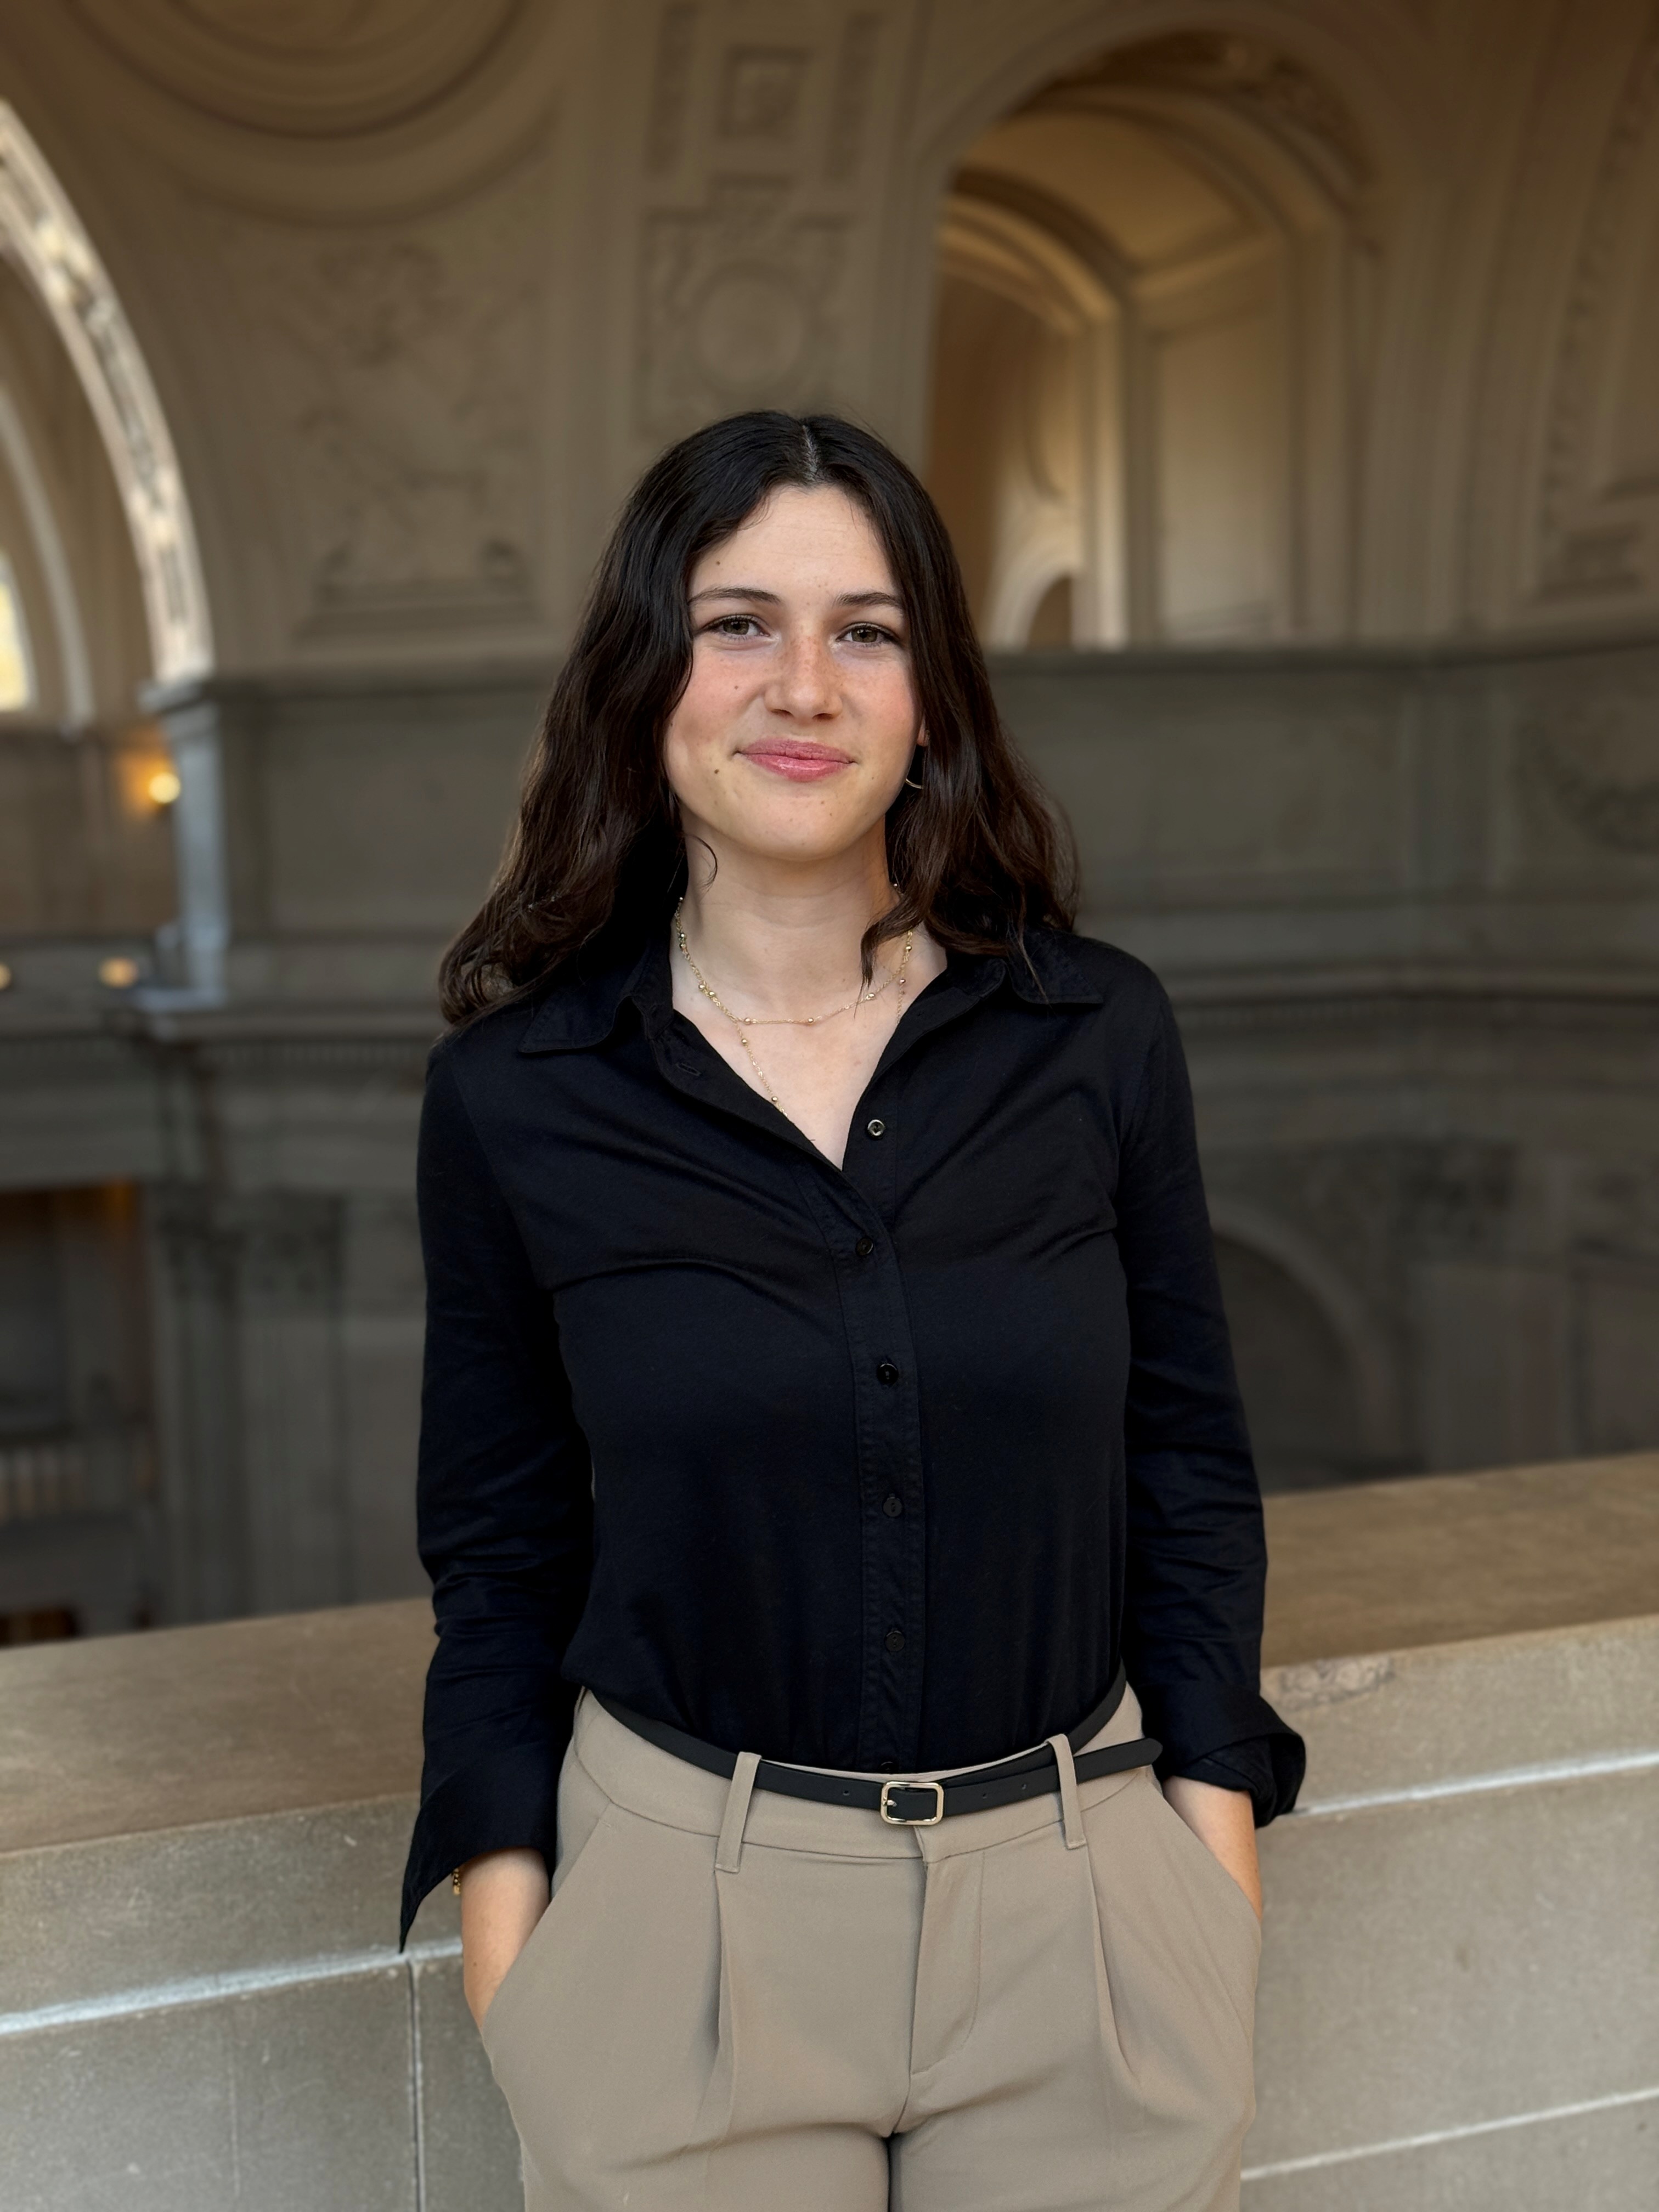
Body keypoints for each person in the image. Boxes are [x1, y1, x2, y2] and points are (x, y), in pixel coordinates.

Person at [402, 410, 1304, 2211]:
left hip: (1087, 1924)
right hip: (682, 1934)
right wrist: (520, 1946)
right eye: (738, 623)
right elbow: (498, 1552)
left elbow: (1186, 1465)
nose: (801, 685)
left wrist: (1207, 1865)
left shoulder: (1094, 1035)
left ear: (928, 699)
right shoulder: (519, 1095)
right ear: (647, 680)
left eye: (865, 631)